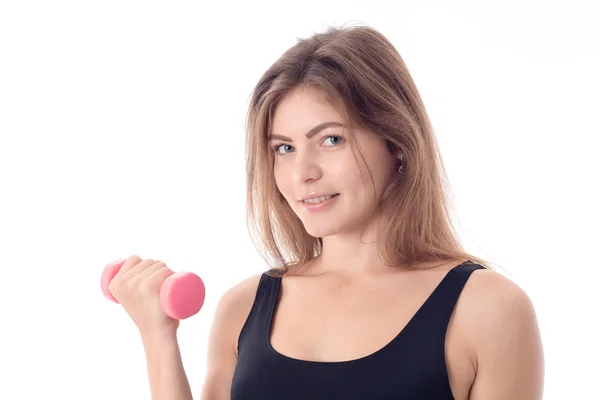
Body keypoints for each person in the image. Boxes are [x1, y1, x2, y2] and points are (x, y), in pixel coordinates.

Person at [112, 24, 544, 400]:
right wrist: (157, 336)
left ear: (396, 143)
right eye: (284, 148)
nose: (303, 173)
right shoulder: (243, 308)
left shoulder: (489, 309)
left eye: (331, 140)